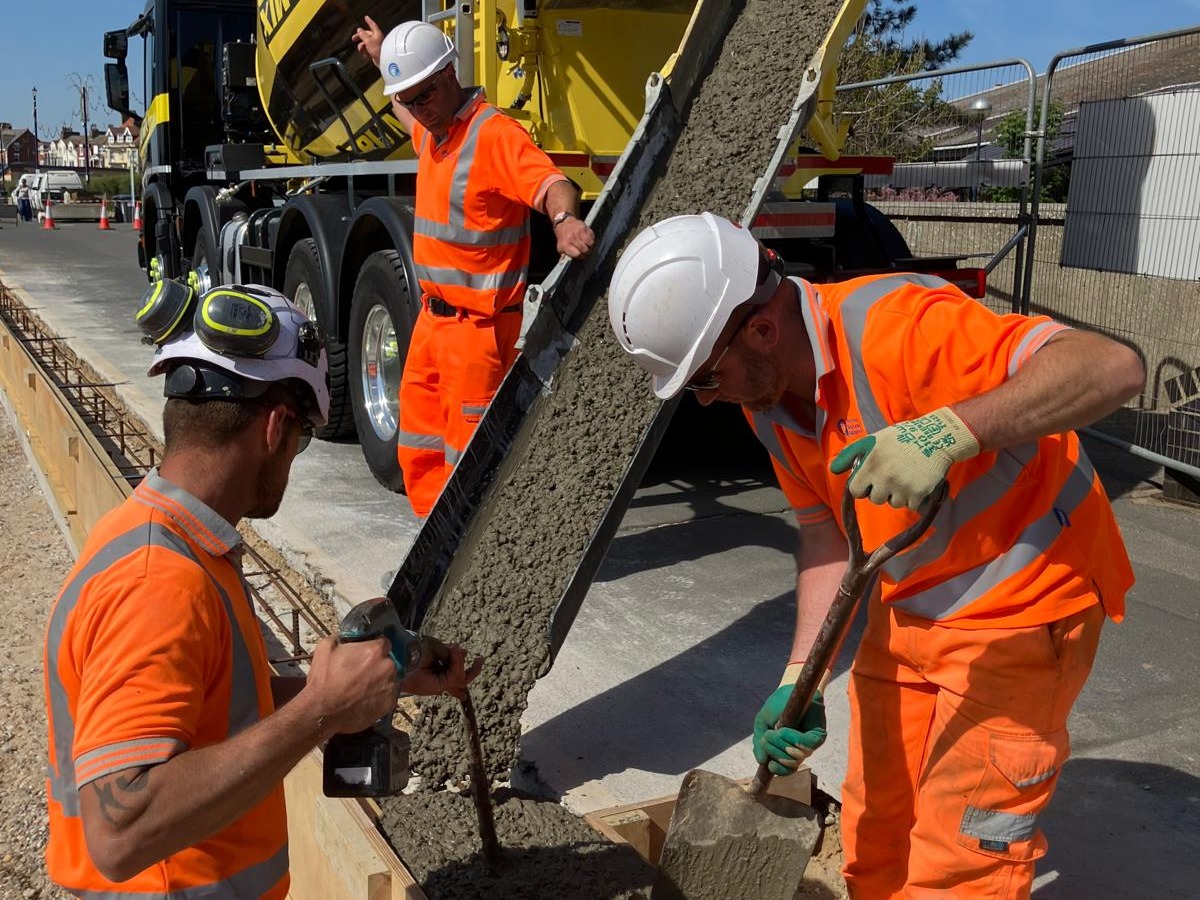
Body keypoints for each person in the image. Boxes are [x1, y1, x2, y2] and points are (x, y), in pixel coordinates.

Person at [606, 212, 1146, 898]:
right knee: (874, 834)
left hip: (1024, 609)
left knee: (960, 867)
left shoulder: (901, 327)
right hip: (911, 606)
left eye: (707, 380)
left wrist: (949, 432)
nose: (709, 402)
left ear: (763, 331)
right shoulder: (769, 404)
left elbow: (1112, 368)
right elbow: (828, 536)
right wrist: (802, 675)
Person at [42, 282, 482, 898]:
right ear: (276, 427)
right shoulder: (159, 580)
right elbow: (120, 830)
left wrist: (366, 684)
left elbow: (217, 707)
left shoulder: (175, 540)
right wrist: (320, 710)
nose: (294, 455)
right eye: (302, 436)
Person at [353, 17, 595, 516]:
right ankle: (430, 549)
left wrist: (565, 220)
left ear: (446, 77)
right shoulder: (433, 131)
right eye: (408, 101)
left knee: (475, 467)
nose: (415, 112)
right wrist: (383, 61)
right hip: (431, 327)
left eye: (421, 98)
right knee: (419, 449)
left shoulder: (493, 135)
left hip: (478, 335)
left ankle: (471, 566)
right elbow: (406, 112)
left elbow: (553, 183)